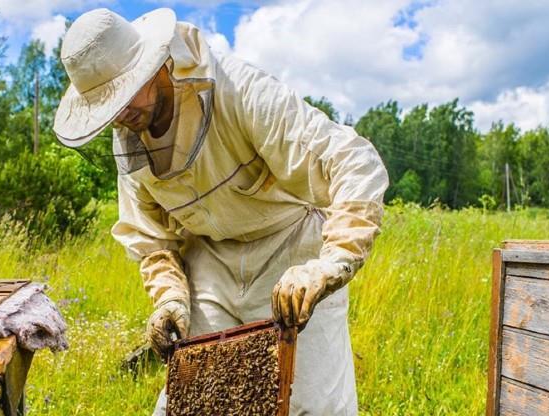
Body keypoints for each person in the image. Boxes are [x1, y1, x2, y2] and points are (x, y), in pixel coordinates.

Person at [53, 8, 388, 415]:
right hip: (210, 259)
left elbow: (354, 162)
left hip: (291, 249)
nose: (121, 114)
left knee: (312, 403)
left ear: (158, 64)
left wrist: (330, 263)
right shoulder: (130, 138)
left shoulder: (239, 90)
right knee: (188, 401)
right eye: (108, 106)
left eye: (125, 95)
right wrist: (170, 299)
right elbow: (152, 239)